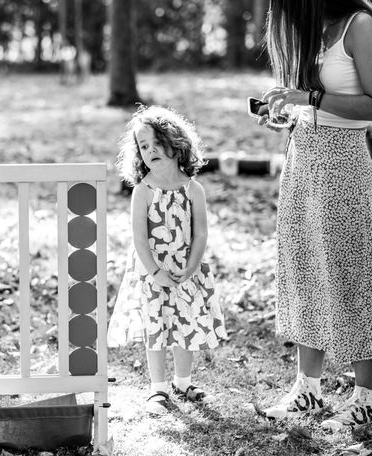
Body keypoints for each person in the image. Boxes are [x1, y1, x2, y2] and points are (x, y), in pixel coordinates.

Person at [254, 0, 372, 430]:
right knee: (303, 270)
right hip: (303, 158)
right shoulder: (313, 32)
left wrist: (309, 97)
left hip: (345, 165)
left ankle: (366, 399)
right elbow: (315, 105)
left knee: (350, 275)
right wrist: (290, 111)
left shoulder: (359, 25)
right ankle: (308, 389)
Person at [107, 105, 227, 415]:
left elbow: (200, 233)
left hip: (185, 270)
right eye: (142, 146)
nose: (149, 150)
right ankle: (157, 387)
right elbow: (139, 238)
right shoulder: (143, 192)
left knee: (185, 325)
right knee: (156, 327)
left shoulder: (193, 190)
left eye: (155, 142)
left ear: (175, 142)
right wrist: (154, 271)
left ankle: (183, 381)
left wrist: (192, 266)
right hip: (153, 272)